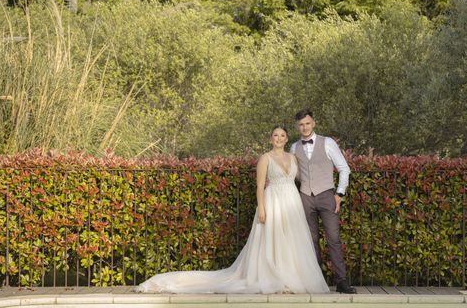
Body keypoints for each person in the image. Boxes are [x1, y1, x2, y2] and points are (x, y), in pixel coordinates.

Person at [136, 126, 330, 294]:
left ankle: (292, 277)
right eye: (275, 135)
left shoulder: (293, 158)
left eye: (282, 136)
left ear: (287, 139)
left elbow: (303, 178)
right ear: (271, 139)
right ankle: (274, 277)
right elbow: (260, 185)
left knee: (292, 241)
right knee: (273, 240)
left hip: (292, 203)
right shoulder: (265, 158)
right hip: (273, 201)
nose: (278, 139)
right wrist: (261, 209)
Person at [290, 109, 356, 294]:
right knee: (311, 241)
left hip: (327, 195)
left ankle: (341, 282)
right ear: (297, 126)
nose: (305, 127)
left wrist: (339, 194)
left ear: (314, 123)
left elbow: (344, 169)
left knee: (333, 240)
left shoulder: (327, 143)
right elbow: (294, 174)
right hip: (304, 196)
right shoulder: (294, 148)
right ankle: (316, 281)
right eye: (301, 124)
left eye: (308, 123)